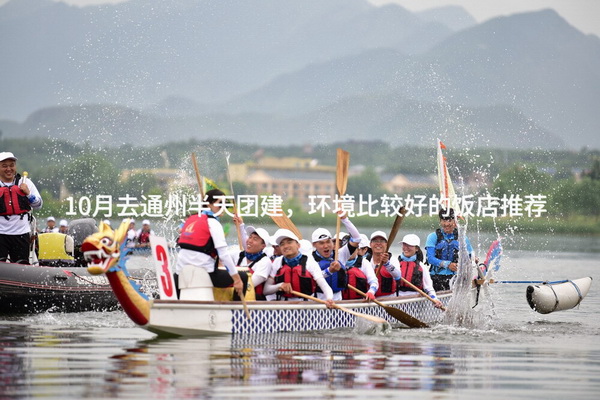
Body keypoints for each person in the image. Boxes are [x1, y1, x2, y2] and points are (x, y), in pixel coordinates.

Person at [174, 189, 246, 299]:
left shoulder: (190, 220)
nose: (223, 207)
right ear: (208, 204)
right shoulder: (214, 223)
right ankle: (236, 313)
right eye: (220, 203)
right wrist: (237, 279)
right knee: (243, 277)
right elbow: (224, 255)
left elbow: (182, 233)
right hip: (204, 273)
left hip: (180, 273)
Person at [263, 229, 334, 307]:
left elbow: (325, 286)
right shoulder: (277, 262)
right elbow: (266, 290)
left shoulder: (309, 261)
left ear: (298, 245)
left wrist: (329, 299)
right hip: (284, 307)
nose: (286, 246)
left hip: (307, 306)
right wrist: (280, 286)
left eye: (289, 242)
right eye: (282, 244)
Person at [0, 152, 43, 264]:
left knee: (21, 264)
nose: (9, 169)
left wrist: (28, 194)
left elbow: (38, 205)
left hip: (21, 233)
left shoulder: (25, 182)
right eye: (4, 166)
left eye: (11, 165)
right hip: (1, 233)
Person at [311, 212, 362, 301]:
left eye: (328, 242)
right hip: (317, 302)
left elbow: (357, 238)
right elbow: (313, 279)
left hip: (338, 300)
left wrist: (345, 219)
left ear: (332, 242)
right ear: (314, 245)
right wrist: (329, 271)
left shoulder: (340, 254)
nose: (326, 246)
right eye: (321, 243)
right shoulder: (310, 259)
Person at [425, 208, 474, 291]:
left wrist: (473, 259)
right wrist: (448, 264)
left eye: (449, 221)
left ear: (455, 221)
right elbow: (430, 258)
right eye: (443, 221)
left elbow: (470, 256)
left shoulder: (462, 238)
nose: (446, 224)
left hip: (456, 277)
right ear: (440, 221)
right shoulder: (433, 237)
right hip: (436, 277)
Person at [397, 234, 443, 308]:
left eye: (410, 245)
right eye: (404, 244)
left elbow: (429, 288)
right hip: (396, 300)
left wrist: (435, 299)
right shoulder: (395, 264)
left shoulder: (421, 266)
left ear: (417, 249)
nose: (406, 248)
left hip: (414, 302)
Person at [233, 224, 273, 301]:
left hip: (255, 301)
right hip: (236, 296)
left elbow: (250, 284)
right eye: (250, 237)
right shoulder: (238, 255)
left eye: (255, 239)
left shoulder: (265, 261)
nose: (250, 241)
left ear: (263, 246)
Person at [341, 234, 378, 300]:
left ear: (357, 249)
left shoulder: (364, 263)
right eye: (347, 249)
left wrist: (371, 292)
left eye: (352, 249)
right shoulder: (336, 262)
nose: (349, 252)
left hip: (359, 302)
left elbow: (374, 281)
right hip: (340, 302)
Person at [368, 231, 402, 298]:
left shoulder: (392, 259)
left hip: (389, 299)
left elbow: (398, 276)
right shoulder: (366, 260)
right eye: (375, 241)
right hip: (369, 298)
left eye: (382, 241)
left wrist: (387, 263)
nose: (378, 243)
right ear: (370, 244)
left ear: (386, 245)